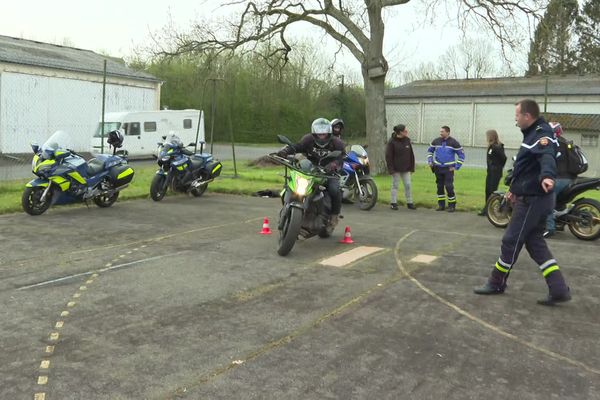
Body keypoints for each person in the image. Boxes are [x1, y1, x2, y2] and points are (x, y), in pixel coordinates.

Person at [474, 99, 571, 306]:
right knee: (535, 243)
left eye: (517, 115)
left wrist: (547, 176)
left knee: (511, 239)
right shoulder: (533, 134)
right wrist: (513, 190)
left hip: (534, 199)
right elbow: (526, 169)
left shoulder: (541, 135)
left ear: (527, 116)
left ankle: (496, 282)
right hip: (533, 197)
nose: (515, 119)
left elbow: (547, 158)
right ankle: (559, 288)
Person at [277, 117, 345, 228]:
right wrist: (285, 151)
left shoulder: (337, 143)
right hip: (309, 169)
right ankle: (290, 208)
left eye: (324, 133)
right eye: (319, 133)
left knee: (334, 189)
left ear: (329, 132)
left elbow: (341, 158)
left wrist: (332, 166)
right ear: (314, 132)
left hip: (329, 172)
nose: (321, 135)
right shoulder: (308, 139)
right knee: (292, 183)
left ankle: (334, 215)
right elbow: (297, 147)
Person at [543, 122, 577, 238]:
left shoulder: (554, 144)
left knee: (546, 197)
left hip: (560, 178)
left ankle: (550, 227)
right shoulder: (565, 142)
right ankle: (559, 218)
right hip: (570, 178)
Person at [427, 125, 465, 212]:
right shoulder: (435, 141)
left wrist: (456, 166)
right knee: (439, 187)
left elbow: (461, 155)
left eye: (442, 131)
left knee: (449, 187)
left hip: (448, 169)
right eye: (440, 131)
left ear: (448, 132)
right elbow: (430, 151)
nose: (440, 133)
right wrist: (430, 161)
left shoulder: (454, 142)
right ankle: (441, 205)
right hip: (438, 168)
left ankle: (452, 205)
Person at [385, 124, 416, 210]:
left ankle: (409, 202)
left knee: (408, 185)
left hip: (406, 168)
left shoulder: (407, 140)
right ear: (400, 132)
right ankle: (393, 202)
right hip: (396, 169)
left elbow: (411, 155)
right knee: (395, 185)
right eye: (405, 131)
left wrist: (412, 167)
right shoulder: (391, 142)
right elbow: (388, 156)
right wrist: (391, 169)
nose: (407, 132)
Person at [478, 129, 507, 216]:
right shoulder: (491, 146)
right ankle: (487, 209)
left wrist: (497, 167)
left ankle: (494, 209)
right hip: (490, 172)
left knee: (492, 191)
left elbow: (504, 158)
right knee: (488, 190)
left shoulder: (497, 147)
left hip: (495, 173)